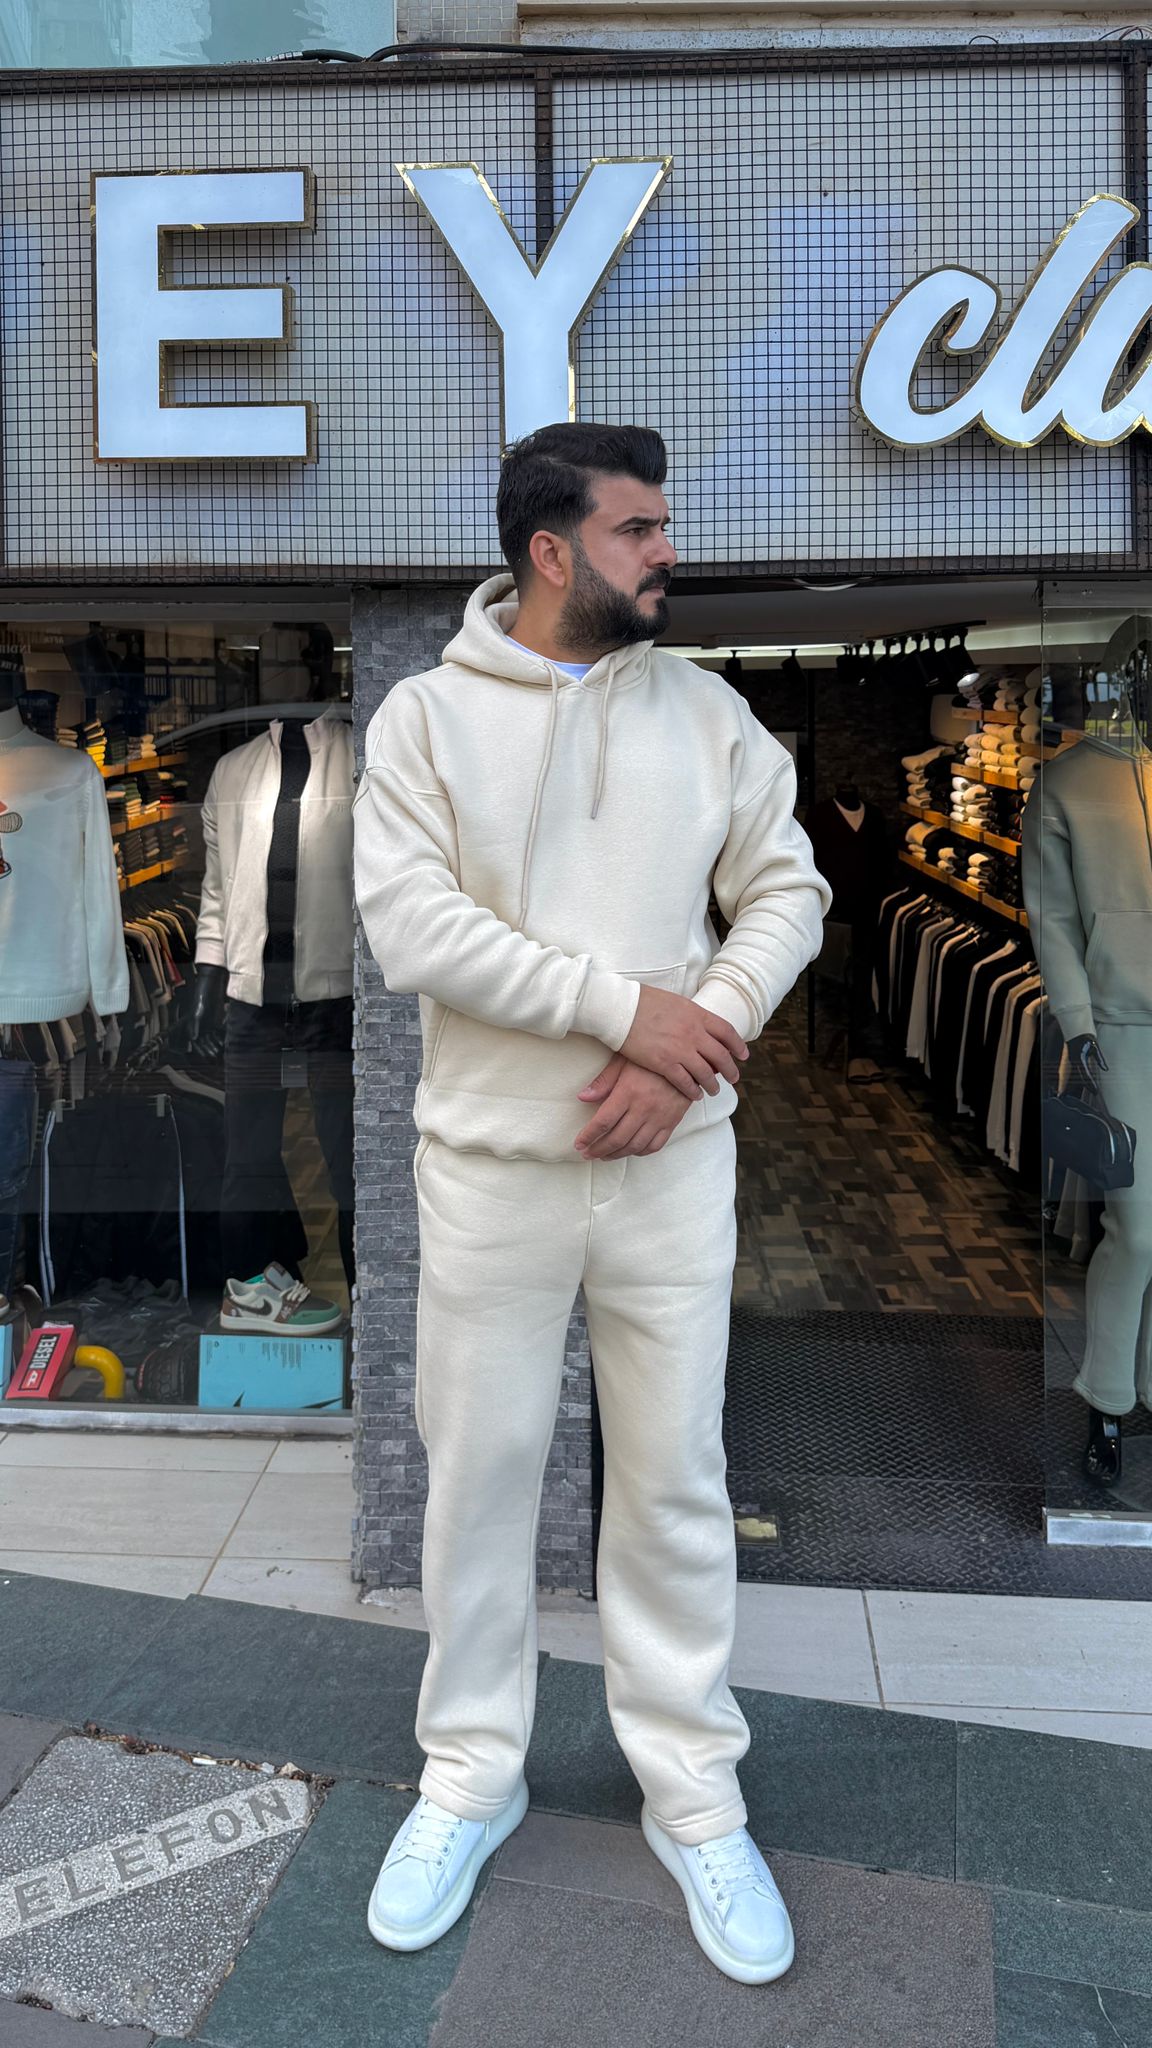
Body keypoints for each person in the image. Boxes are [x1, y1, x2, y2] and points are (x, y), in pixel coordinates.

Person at [352, 422, 831, 1985]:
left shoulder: (705, 713)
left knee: (676, 1481)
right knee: (478, 1482)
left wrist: (693, 1051)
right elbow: (413, 926)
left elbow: (790, 891)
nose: (666, 551)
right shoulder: (427, 719)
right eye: (639, 529)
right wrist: (628, 1011)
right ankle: (468, 1778)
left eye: (663, 524)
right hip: (492, 1172)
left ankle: (694, 1794)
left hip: (671, 1168)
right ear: (552, 550)